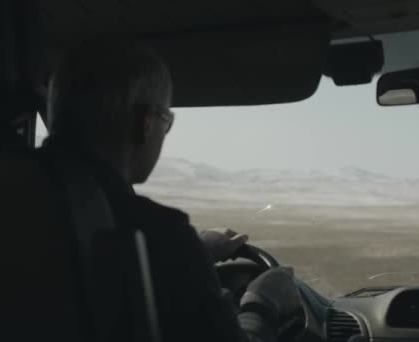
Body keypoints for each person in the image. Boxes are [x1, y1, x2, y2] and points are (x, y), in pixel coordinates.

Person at [43, 38, 302, 342]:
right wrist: (263, 302)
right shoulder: (156, 232)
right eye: (166, 121)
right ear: (146, 123)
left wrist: (198, 251)